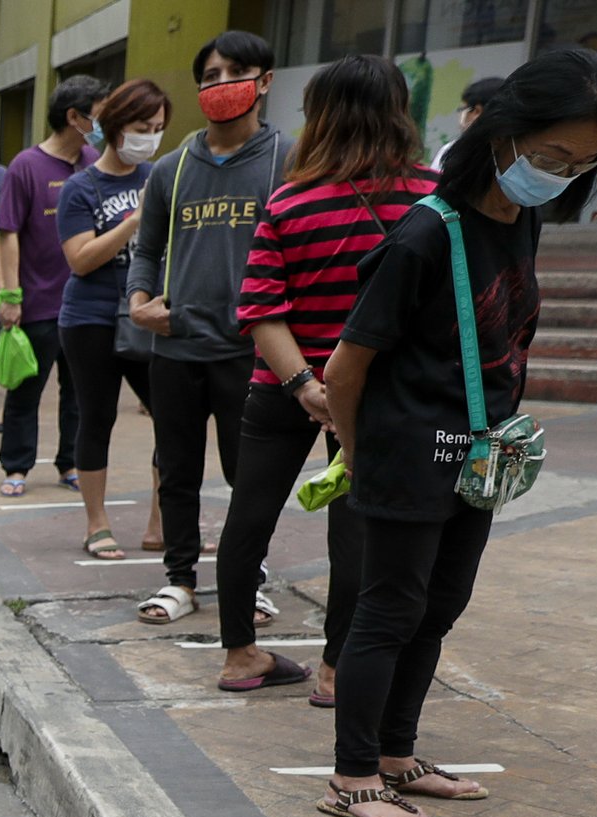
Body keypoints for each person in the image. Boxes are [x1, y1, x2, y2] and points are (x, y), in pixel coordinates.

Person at [318, 47, 597, 817]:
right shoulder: (426, 234)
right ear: (503, 132)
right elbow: (345, 369)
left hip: (480, 456)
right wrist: (358, 454)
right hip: (407, 452)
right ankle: (353, 777)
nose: (561, 175)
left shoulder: (522, 221)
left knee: (437, 609)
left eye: (581, 163)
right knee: (389, 611)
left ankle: (396, 755)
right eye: (552, 156)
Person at [217, 56, 437, 701]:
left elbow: (260, 308)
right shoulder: (431, 199)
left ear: (320, 117)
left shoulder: (290, 201)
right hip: (378, 394)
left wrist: (304, 385)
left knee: (249, 516)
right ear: (399, 112)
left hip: (282, 384)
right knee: (358, 530)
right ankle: (337, 671)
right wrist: (339, 389)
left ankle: (239, 656)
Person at [126, 29, 291, 625]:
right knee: (176, 472)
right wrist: (138, 303)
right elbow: (146, 249)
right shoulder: (171, 169)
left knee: (250, 476)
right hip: (176, 347)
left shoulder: (288, 160)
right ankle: (179, 580)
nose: (222, 85)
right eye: (211, 75)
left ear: (264, 82)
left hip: (254, 351)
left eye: (236, 73)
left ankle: (250, 580)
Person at [57, 78, 172, 560]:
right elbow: (80, 259)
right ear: (115, 126)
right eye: (142, 128)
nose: (150, 138)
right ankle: (97, 524)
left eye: (158, 128)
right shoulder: (80, 187)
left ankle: (160, 525)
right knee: (96, 417)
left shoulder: (162, 176)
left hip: (150, 317)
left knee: (173, 418)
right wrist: (135, 220)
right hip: (91, 318)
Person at [0, 75, 112, 496]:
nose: (104, 123)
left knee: (79, 394)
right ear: (74, 116)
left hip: (85, 304)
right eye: (99, 114)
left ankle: (71, 463)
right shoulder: (26, 166)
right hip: (38, 302)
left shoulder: (94, 161)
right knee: (26, 389)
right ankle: (16, 466)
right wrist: (11, 296)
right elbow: (8, 233)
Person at [433, 76, 504, 170]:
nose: (460, 115)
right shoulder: (513, 149)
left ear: (477, 111)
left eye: (462, 109)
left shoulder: (454, 151)